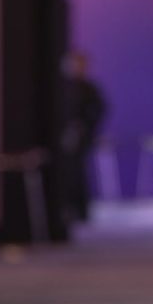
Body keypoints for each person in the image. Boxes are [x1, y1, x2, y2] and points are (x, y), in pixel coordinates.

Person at [61, 50, 106, 223]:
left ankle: (80, 210)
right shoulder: (63, 86)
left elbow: (99, 110)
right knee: (67, 172)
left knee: (77, 172)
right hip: (65, 136)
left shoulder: (88, 88)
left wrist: (84, 127)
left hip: (80, 137)